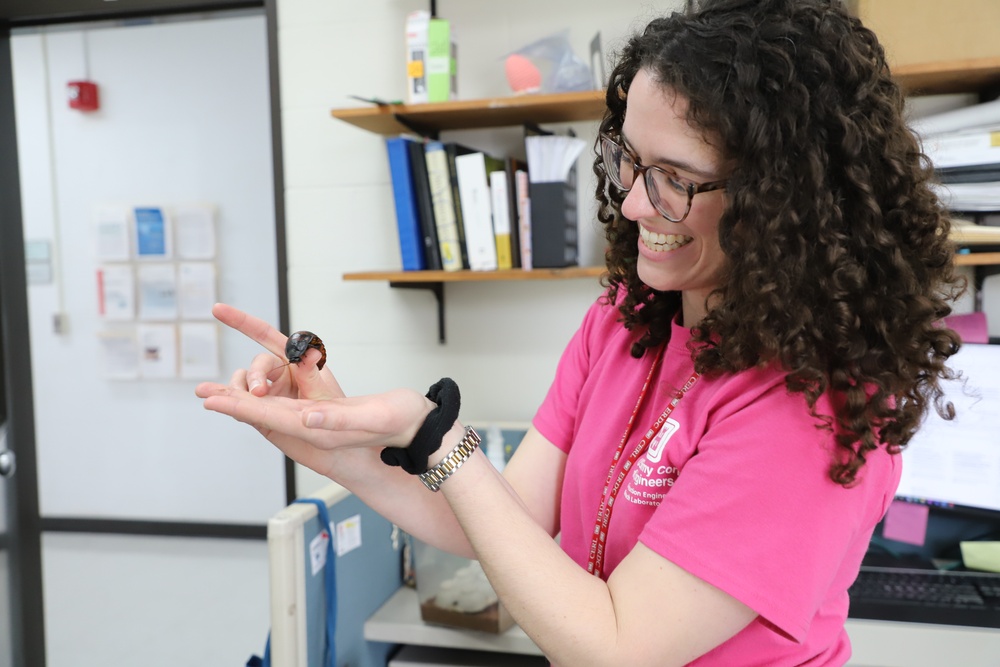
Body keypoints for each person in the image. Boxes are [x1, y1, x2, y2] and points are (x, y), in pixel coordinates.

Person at [196, 0, 966, 664]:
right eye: (630, 161)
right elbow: (506, 517)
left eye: (674, 178)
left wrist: (434, 437)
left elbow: (614, 644)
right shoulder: (628, 320)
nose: (632, 204)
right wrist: (330, 434)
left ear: (784, 200)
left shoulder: (813, 400)